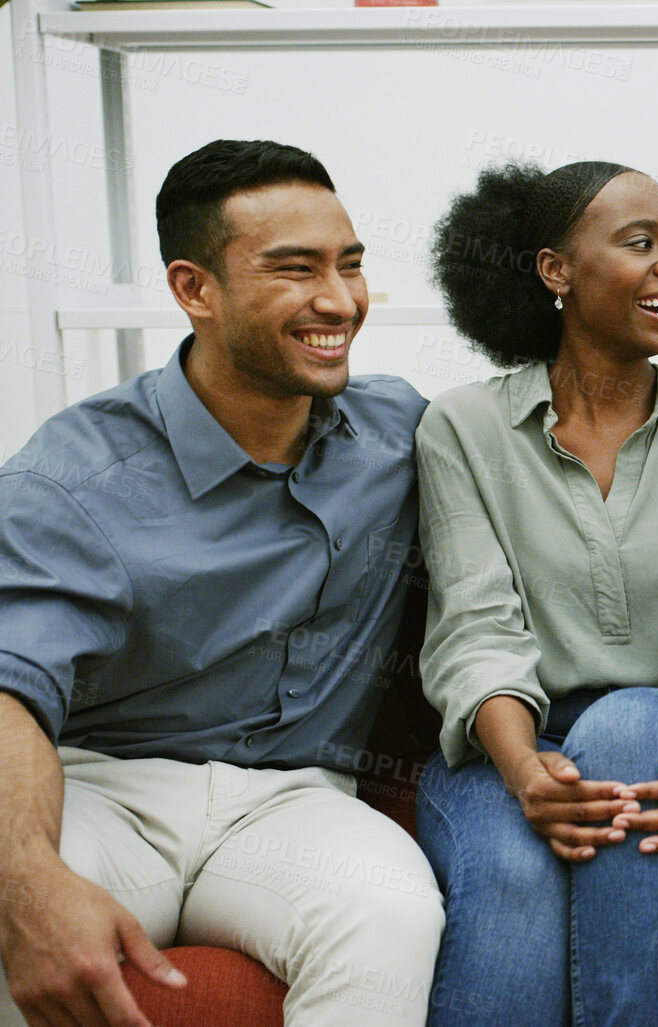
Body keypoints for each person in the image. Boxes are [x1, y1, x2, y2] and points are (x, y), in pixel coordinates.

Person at [0, 139, 442, 1027]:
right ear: (194, 289)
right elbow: (8, 689)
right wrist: (30, 880)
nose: (339, 301)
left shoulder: (403, 431)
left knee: (390, 913)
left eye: (350, 266)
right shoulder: (71, 478)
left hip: (300, 800)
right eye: (295, 269)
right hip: (108, 787)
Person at [413, 160, 658, 1027]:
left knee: (626, 725)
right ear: (556, 271)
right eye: (641, 243)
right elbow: (475, 628)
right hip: (511, 741)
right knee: (512, 877)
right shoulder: (464, 427)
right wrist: (523, 770)